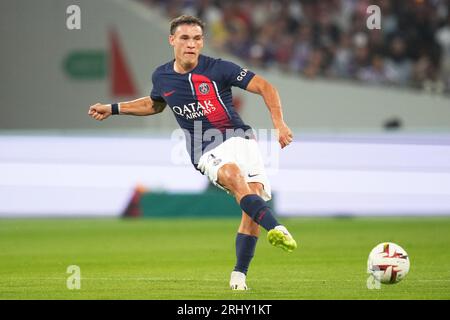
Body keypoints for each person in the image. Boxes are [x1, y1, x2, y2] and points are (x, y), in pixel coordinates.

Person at [88, 15, 297, 291]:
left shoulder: (219, 68)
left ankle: (239, 276)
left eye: (197, 38)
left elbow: (265, 87)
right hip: (205, 148)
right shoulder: (161, 76)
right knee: (233, 176)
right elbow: (155, 104)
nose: (191, 44)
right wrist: (113, 108)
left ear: (202, 42)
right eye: (185, 38)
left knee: (251, 207)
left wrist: (279, 123)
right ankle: (278, 228)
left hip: (242, 139)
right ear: (172, 40)